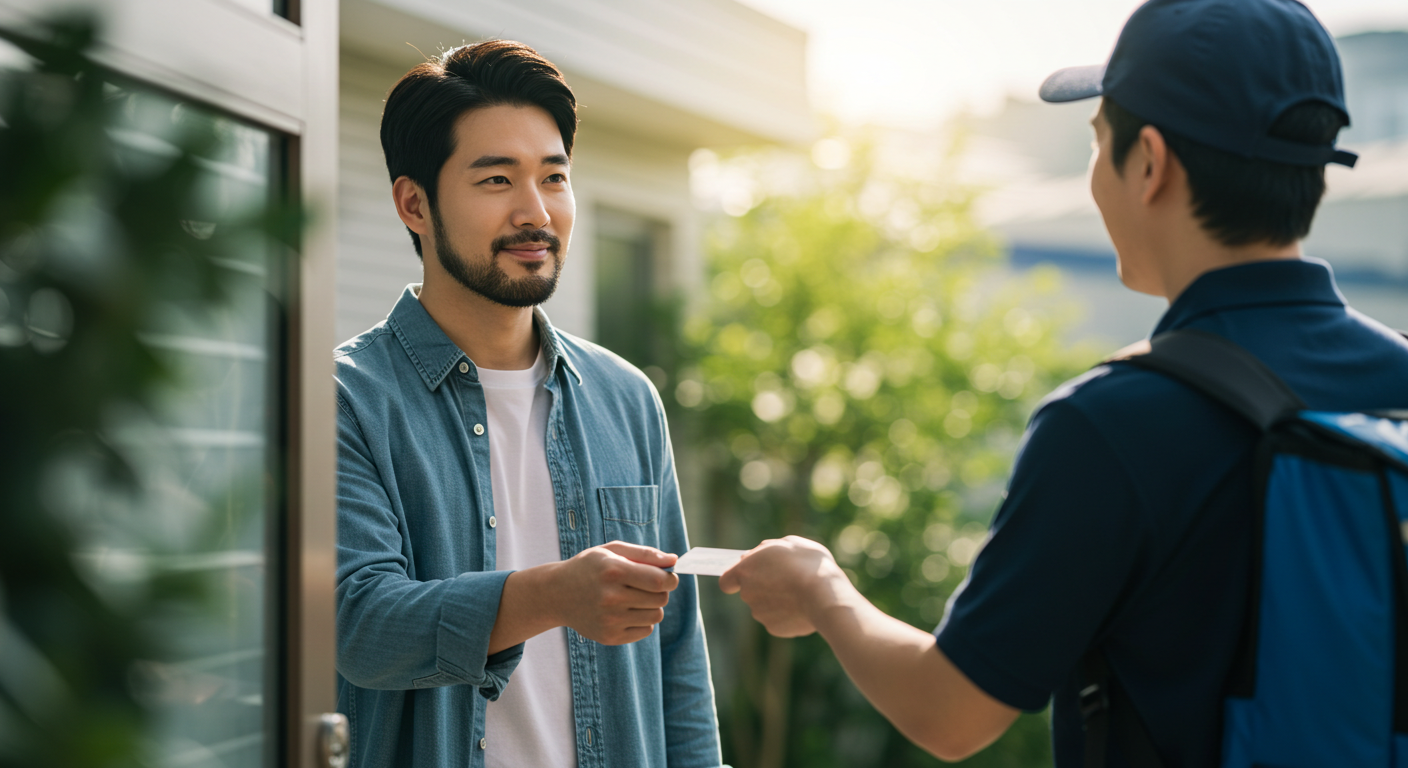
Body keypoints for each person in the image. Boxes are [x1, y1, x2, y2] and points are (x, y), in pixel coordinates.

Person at [718, 0, 1408, 764]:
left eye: (1096, 143)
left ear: (1148, 162)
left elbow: (952, 712)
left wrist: (822, 590)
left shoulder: (1115, 423)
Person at [334, 40, 722, 768]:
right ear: (414, 204)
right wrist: (553, 595)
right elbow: (360, 626)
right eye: (496, 181)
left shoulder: (626, 398)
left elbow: (677, 663)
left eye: (553, 177)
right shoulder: (347, 398)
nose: (535, 212)